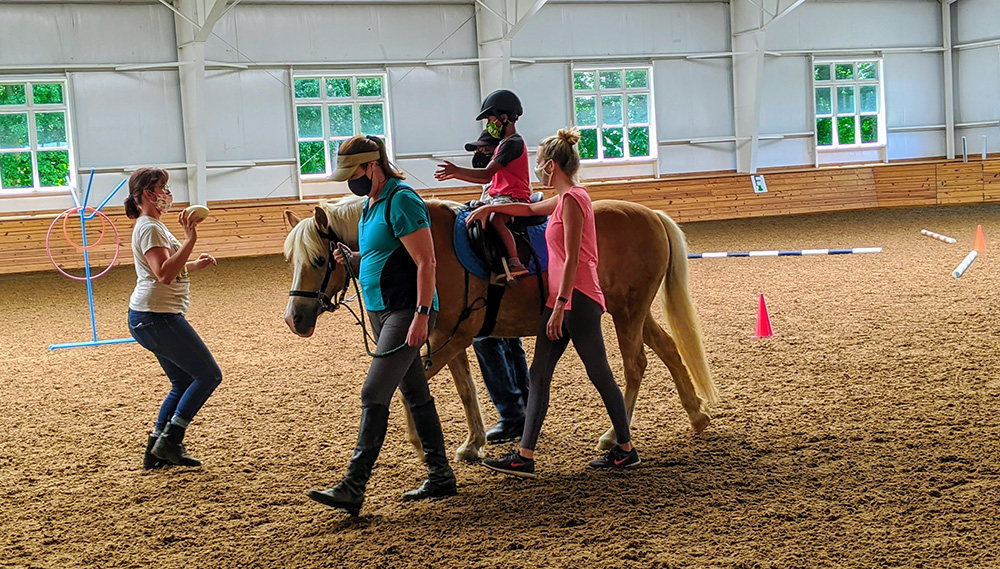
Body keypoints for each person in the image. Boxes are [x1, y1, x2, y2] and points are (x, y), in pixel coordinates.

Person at [467, 128, 641, 478]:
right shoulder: (562, 199)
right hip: (560, 298)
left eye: (539, 162)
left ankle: (626, 448)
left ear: (551, 165)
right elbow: (529, 207)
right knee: (540, 373)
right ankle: (524, 456)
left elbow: (575, 258)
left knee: (599, 372)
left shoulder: (575, 200)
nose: (535, 168)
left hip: (577, 298)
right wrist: (490, 207)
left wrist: (560, 306)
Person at [306, 135, 456, 515]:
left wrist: (423, 314)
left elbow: (426, 261)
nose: (348, 180)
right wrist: (352, 258)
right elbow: (381, 254)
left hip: (405, 310)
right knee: (416, 394)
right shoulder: (372, 204)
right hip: (380, 308)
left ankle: (354, 485)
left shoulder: (401, 199)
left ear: (372, 165)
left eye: (352, 172)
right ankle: (440, 476)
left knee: (374, 393)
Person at [124, 167, 221, 470]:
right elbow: (163, 274)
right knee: (208, 376)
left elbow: (167, 268)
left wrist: (193, 265)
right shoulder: (150, 227)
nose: (167, 193)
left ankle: (155, 450)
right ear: (147, 194)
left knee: (182, 382)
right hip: (157, 316)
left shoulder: (154, 225)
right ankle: (171, 439)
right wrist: (190, 239)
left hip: (151, 316)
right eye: (161, 187)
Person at [464, 128, 531, 443]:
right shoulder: (494, 182)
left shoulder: (507, 157)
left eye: (483, 149)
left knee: (489, 339)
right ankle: (526, 407)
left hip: (508, 205)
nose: (480, 154)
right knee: (510, 340)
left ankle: (512, 414)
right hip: (499, 199)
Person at [435, 89, 531, 280]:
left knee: (495, 218)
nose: (489, 125)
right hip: (498, 196)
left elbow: (486, 176)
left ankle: (515, 262)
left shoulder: (513, 143)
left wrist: (457, 171)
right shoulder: (503, 144)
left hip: (513, 197)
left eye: (490, 120)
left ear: (503, 117)